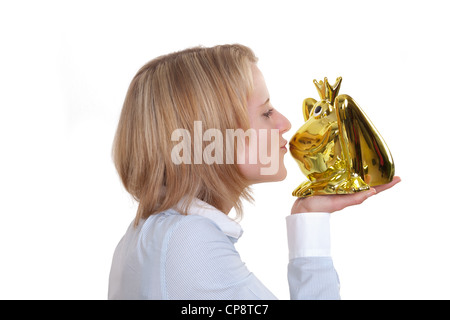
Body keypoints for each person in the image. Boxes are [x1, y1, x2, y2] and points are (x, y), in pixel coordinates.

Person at [108, 44, 400, 300]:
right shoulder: (187, 242)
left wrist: (309, 217)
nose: (285, 123)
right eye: (266, 112)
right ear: (215, 133)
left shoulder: (145, 235)